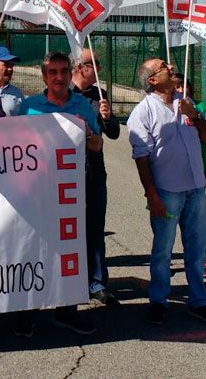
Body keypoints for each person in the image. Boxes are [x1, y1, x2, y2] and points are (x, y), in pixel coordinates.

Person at [127, 58, 206, 327]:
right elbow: (141, 157)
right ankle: (158, 301)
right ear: (152, 80)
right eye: (162, 67)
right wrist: (151, 195)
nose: (170, 67)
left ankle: (199, 301)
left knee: (196, 250)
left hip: (195, 188)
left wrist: (194, 115)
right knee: (163, 252)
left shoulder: (186, 103)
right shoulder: (143, 112)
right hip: (167, 192)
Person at [16, 52, 100, 336]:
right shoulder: (28, 107)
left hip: (71, 191)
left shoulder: (82, 105)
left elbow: (97, 146)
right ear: (44, 76)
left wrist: (87, 132)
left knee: (71, 250)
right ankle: (28, 313)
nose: (59, 77)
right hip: (36, 191)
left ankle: (67, 311)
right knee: (33, 249)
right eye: (53, 72)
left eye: (64, 71)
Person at [71, 48, 120, 304]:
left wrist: (108, 116)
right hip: (64, 172)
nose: (99, 69)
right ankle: (71, 281)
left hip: (94, 171)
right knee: (68, 228)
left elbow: (113, 134)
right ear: (80, 67)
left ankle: (98, 282)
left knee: (95, 226)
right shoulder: (64, 94)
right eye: (94, 64)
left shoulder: (99, 96)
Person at [173, 71, 206, 281]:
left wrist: (193, 114)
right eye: (176, 87)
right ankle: (167, 259)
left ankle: (202, 260)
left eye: (183, 86)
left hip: (199, 169)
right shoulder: (165, 108)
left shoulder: (201, 107)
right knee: (170, 218)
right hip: (172, 171)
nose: (180, 90)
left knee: (196, 219)